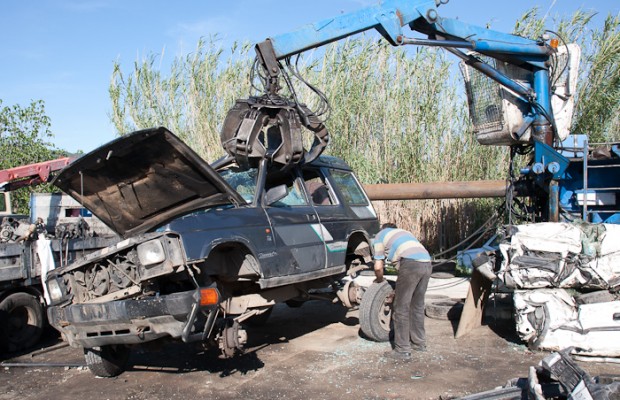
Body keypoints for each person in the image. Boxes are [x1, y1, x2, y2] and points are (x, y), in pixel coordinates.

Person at [373, 223, 432, 361]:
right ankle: (419, 343)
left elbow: (378, 267)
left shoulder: (380, 235)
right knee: (417, 306)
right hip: (427, 263)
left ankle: (402, 350)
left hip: (410, 264)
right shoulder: (406, 233)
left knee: (401, 308)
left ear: (383, 229)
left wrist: (379, 280)